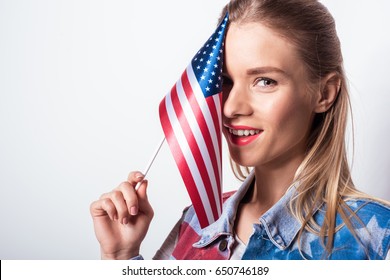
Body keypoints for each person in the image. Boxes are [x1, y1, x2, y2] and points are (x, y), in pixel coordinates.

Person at [90, 0, 390, 260]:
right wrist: (120, 256)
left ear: (324, 94)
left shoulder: (376, 238)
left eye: (265, 81)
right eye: (225, 81)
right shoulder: (196, 222)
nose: (231, 107)